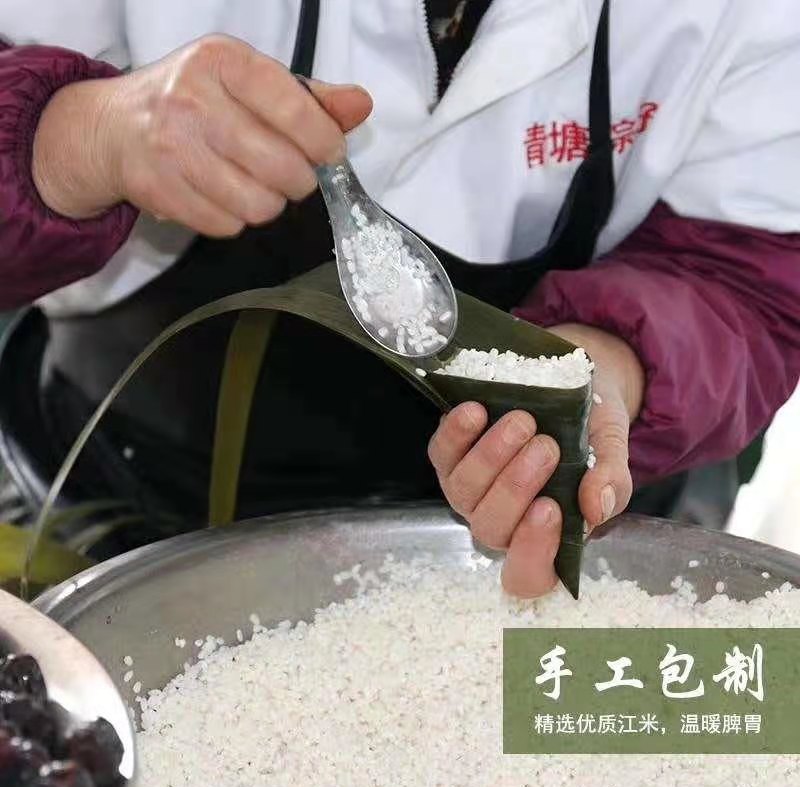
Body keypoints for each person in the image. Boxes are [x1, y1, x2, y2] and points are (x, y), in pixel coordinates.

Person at [0, 1, 798, 598]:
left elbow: (753, 279)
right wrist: (73, 138)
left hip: (558, 549)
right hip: (127, 508)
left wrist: (610, 369)